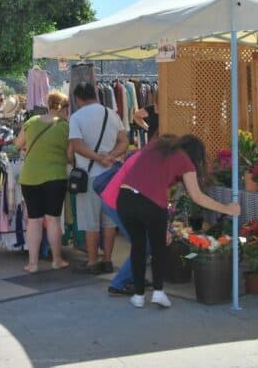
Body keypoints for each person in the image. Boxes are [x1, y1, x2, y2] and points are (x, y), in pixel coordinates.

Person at [104, 134, 241, 308]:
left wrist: (166, 225)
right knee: (158, 248)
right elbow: (197, 196)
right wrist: (228, 209)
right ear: (195, 154)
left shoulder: (155, 147)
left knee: (138, 246)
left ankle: (138, 297)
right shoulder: (185, 161)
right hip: (150, 204)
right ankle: (158, 292)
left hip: (124, 200)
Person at [69, 81, 128, 274]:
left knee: (90, 222)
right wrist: (110, 156)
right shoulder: (112, 114)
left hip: (89, 177)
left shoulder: (76, 117)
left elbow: (76, 146)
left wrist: (98, 158)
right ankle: (108, 260)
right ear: (96, 94)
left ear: (78, 99)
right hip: (110, 176)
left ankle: (93, 262)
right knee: (109, 221)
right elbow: (124, 142)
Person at [14, 90, 72, 272]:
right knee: (53, 220)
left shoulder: (31, 122)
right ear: (64, 108)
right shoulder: (65, 126)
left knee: (34, 220)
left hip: (30, 177)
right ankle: (56, 260)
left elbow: (17, 144)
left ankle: (33, 264)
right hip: (55, 177)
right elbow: (70, 156)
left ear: (48, 105)